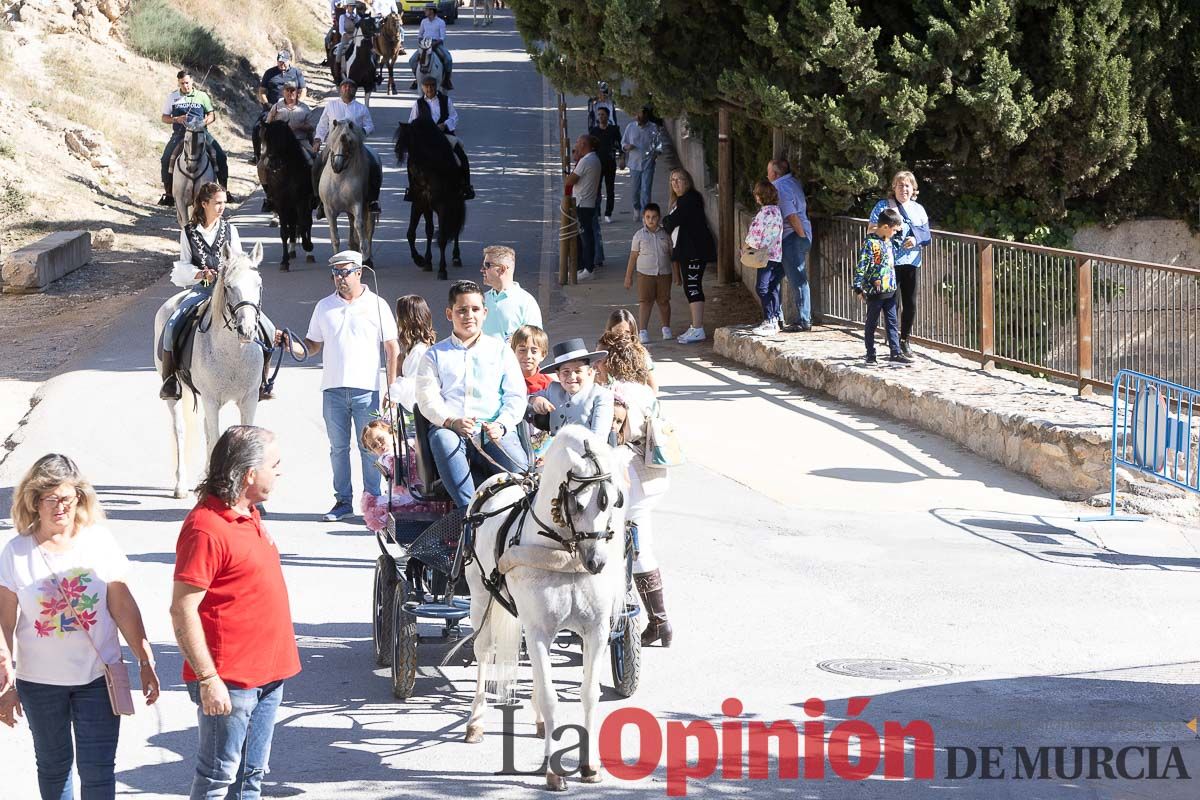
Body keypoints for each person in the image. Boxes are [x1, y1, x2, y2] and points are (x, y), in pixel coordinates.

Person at [0, 453, 160, 799]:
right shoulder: (16, 552)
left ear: (80, 498)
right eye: (51, 499)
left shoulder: (98, 541)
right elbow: (4, 622)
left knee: (99, 771)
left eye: (68, 499)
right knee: (54, 768)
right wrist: (5, 680)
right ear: (34, 501)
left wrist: (145, 659)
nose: (61, 507)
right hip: (40, 684)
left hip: (97, 679)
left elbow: (121, 602)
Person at [170, 426, 300, 800]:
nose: (279, 471)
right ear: (248, 474)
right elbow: (182, 609)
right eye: (274, 465)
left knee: (250, 779)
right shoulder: (205, 528)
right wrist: (208, 678)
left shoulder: (248, 511)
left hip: (269, 674)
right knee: (216, 779)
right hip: (231, 682)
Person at [158, 182, 281, 402]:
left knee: (269, 328)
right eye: (217, 203)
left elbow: (239, 262)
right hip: (202, 290)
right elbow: (182, 266)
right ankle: (171, 381)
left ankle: (262, 383)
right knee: (171, 325)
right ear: (204, 204)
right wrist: (201, 275)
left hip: (229, 292)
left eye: (224, 203)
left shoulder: (230, 229)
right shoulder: (188, 232)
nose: (222, 207)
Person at [302, 250, 401, 521]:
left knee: (373, 447)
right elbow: (313, 345)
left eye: (345, 272)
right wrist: (293, 346)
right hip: (332, 389)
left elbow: (393, 348)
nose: (340, 278)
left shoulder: (377, 304)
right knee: (338, 448)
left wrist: (392, 389)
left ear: (359, 272)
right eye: (336, 273)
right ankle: (342, 501)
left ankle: (375, 499)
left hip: (366, 390)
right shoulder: (324, 306)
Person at [414, 280, 529, 508]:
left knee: (520, 474)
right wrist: (450, 421)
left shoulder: (501, 351)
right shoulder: (434, 355)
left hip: (493, 429)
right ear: (450, 313)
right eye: (462, 310)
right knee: (443, 439)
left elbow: (516, 396)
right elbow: (427, 398)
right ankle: (471, 515)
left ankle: (512, 519)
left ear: (484, 313)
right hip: (452, 430)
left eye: (475, 309)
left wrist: (502, 425)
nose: (469, 316)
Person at [598, 332, 672, 646]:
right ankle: (658, 622)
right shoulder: (645, 391)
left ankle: (659, 622)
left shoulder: (616, 393)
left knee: (635, 547)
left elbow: (612, 435)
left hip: (631, 474)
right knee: (638, 541)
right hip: (654, 474)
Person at [868, 170, 931, 357]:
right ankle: (893, 343)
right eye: (900, 185)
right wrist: (890, 231)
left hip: (911, 262)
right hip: (889, 263)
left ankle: (904, 340)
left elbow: (927, 235)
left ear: (913, 189)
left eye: (907, 185)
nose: (904, 189)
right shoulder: (883, 207)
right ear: (893, 187)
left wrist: (916, 240)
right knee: (891, 304)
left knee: (910, 303)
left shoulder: (918, 210)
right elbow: (871, 230)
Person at [159, 70, 232, 206]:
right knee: (166, 159)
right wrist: (176, 119)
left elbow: (211, 115)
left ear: (192, 82)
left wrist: (203, 122)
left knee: (220, 156)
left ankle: (224, 190)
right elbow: (164, 117)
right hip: (180, 134)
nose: (185, 86)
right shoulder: (172, 97)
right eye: (182, 83)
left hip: (200, 133)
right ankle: (168, 193)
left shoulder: (202, 96)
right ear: (178, 83)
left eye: (187, 83)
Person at [312, 78, 382, 218]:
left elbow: (370, 125)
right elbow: (323, 124)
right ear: (340, 89)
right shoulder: (331, 106)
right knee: (316, 166)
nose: (347, 89)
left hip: (355, 147)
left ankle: (372, 200)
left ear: (355, 90)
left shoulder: (361, 108)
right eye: (344, 86)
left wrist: (361, 132)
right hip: (333, 146)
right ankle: (319, 200)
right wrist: (318, 139)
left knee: (374, 163)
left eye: (350, 87)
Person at [663, 168, 717, 344]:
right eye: (673, 180)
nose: (676, 183)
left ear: (688, 181)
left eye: (679, 179)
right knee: (689, 287)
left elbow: (672, 221)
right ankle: (695, 326)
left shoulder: (690, 198)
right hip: (687, 251)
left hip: (695, 250)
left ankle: (699, 328)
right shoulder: (680, 200)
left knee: (693, 286)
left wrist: (666, 221)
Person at [853, 207, 911, 365]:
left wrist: (899, 229)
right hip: (875, 291)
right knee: (871, 323)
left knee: (892, 322)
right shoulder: (871, 244)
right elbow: (862, 265)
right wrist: (858, 286)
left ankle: (895, 353)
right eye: (893, 230)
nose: (895, 233)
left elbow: (898, 236)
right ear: (885, 227)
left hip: (890, 290)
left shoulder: (889, 242)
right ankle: (870, 354)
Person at [528, 338, 614, 439]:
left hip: (585, 452)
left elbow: (599, 437)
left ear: (589, 373)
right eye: (566, 372)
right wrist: (534, 399)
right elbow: (523, 399)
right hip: (554, 450)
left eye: (578, 371)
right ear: (558, 375)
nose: (572, 377)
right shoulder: (553, 389)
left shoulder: (601, 395)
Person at [408, 75, 475, 198]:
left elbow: (454, 117)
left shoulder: (446, 100)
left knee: (461, 156)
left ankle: (466, 186)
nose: (429, 89)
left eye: (432, 86)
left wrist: (445, 124)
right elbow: (412, 121)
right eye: (427, 86)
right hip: (425, 138)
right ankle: (412, 189)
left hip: (444, 136)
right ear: (422, 88)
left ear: (436, 87)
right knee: (411, 159)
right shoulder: (418, 104)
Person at [767, 158, 813, 332]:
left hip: (792, 236)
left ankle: (804, 320)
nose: (767, 174)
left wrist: (801, 237)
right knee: (774, 278)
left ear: (775, 173)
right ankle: (776, 317)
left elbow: (791, 215)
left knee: (797, 279)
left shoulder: (780, 187)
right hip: (794, 235)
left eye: (768, 171)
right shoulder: (792, 182)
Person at [624, 202, 676, 343]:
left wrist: (677, 275)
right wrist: (628, 277)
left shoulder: (665, 235)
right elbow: (633, 256)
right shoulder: (639, 236)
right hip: (645, 274)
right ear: (643, 218)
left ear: (659, 218)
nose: (651, 220)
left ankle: (666, 328)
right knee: (645, 302)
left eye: (654, 217)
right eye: (648, 217)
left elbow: (672, 256)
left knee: (664, 301)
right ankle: (643, 331)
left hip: (664, 273)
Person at [745, 180, 785, 335]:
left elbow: (755, 235)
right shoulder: (777, 211)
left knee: (762, 288)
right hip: (777, 255)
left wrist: (747, 247)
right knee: (773, 286)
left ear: (760, 196)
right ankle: (775, 318)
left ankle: (770, 320)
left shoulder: (764, 213)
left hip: (765, 255)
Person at [252, 51, 306, 167]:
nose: (281, 64)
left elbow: (303, 90)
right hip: (272, 106)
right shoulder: (269, 73)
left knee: (306, 123)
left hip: (293, 105)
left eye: (283, 62)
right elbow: (262, 91)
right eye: (279, 61)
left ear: (289, 61)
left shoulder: (296, 73)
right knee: (257, 128)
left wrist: (298, 103)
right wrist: (266, 104)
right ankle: (256, 155)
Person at [480, 245, 542, 342]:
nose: (482, 270)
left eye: (487, 266)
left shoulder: (526, 302)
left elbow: (536, 342)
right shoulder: (480, 300)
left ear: (502, 269)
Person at [387, 294, 437, 413]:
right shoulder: (417, 349)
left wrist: (392, 395)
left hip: (416, 412)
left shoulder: (419, 351)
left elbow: (412, 385)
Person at [565, 134, 602, 280]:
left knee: (586, 237)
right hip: (586, 202)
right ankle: (582, 266)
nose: (576, 145)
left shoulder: (586, 161)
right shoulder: (593, 159)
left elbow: (570, 180)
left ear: (584, 145)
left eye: (578, 142)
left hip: (583, 203)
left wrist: (569, 176)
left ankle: (588, 268)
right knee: (583, 236)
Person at [601, 309, 658, 393]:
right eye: (618, 331)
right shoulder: (603, 351)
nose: (622, 336)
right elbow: (598, 381)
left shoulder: (640, 353)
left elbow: (652, 386)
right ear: (610, 330)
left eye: (627, 332)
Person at [621, 107, 658, 216]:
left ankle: (645, 213)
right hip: (634, 164)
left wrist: (655, 155)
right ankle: (636, 207)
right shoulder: (630, 127)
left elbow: (658, 145)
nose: (638, 118)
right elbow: (623, 143)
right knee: (635, 190)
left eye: (641, 116)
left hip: (648, 163)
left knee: (646, 190)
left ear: (646, 116)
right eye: (637, 115)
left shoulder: (653, 128)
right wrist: (627, 147)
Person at [408, 3, 453, 91]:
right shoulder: (423, 21)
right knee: (412, 60)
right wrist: (421, 42)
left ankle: (447, 81)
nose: (425, 11)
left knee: (448, 59)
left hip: (436, 44)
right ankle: (417, 79)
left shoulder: (440, 22)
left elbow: (442, 37)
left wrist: (434, 44)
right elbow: (420, 35)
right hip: (424, 44)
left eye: (426, 10)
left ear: (432, 11)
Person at [589, 105, 621, 224]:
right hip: (597, 164)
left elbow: (619, 144)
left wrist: (621, 157)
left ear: (607, 116)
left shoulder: (614, 129)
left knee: (610, 188)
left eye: (603, 114)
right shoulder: (594, 131)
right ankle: (597, 213)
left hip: (610, 162)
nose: (601, 116)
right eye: (599, 114)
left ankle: (608, 213)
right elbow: (589, 147)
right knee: (596, 189)